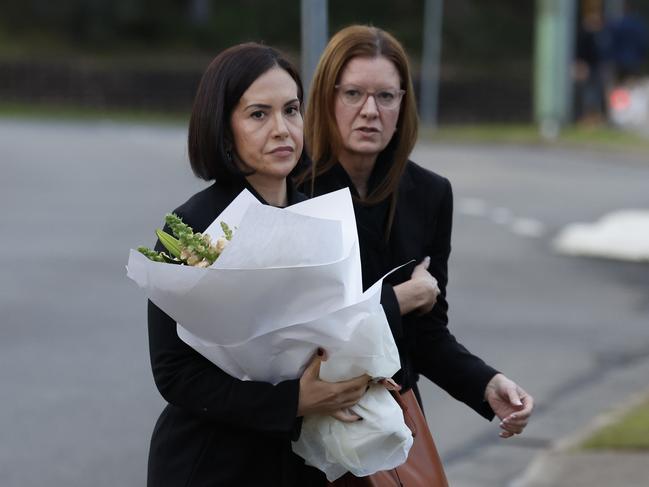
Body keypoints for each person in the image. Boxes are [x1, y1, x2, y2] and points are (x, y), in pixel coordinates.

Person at [146, 43, 368, 487]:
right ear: (224, 129)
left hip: (311, 460)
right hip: (214, 463)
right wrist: (290, 401)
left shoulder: (324, 220)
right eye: (258, 115)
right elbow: (174, 373)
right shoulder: (192, 228)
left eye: (291, 110)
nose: (282, 129)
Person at [299, 25, 534, 442]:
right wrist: (402, 298)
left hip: (391, 418)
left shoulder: (429, 194)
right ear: (326, 98)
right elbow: (301, 327)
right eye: (353, 93)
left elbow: (426, 335)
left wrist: (486, 384)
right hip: (306, 421)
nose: (370, 110)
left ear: (403, 104)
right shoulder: (294, 189)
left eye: (386, 96)